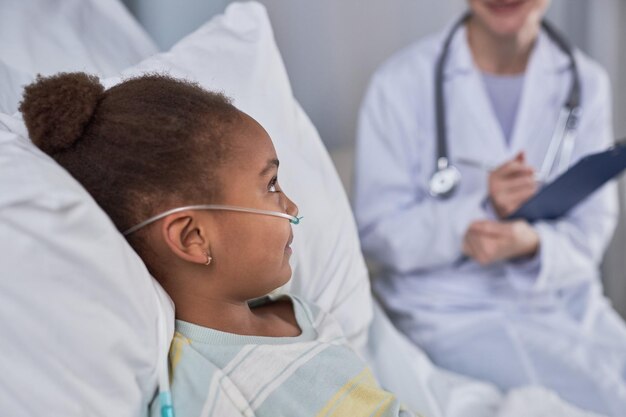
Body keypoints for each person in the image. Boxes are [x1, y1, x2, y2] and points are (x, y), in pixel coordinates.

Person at [19, 72, 418, 417]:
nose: (292, 206)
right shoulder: (209, 386)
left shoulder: (302, 317)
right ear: (193, 238)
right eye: (271, 186)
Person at [353, 1, 626, 415]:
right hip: (450, 310)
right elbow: (376, 231)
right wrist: (474, 214)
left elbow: (594, 224)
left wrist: (532, 243)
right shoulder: (400, 82)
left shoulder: (586, 80)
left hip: (563, 302)